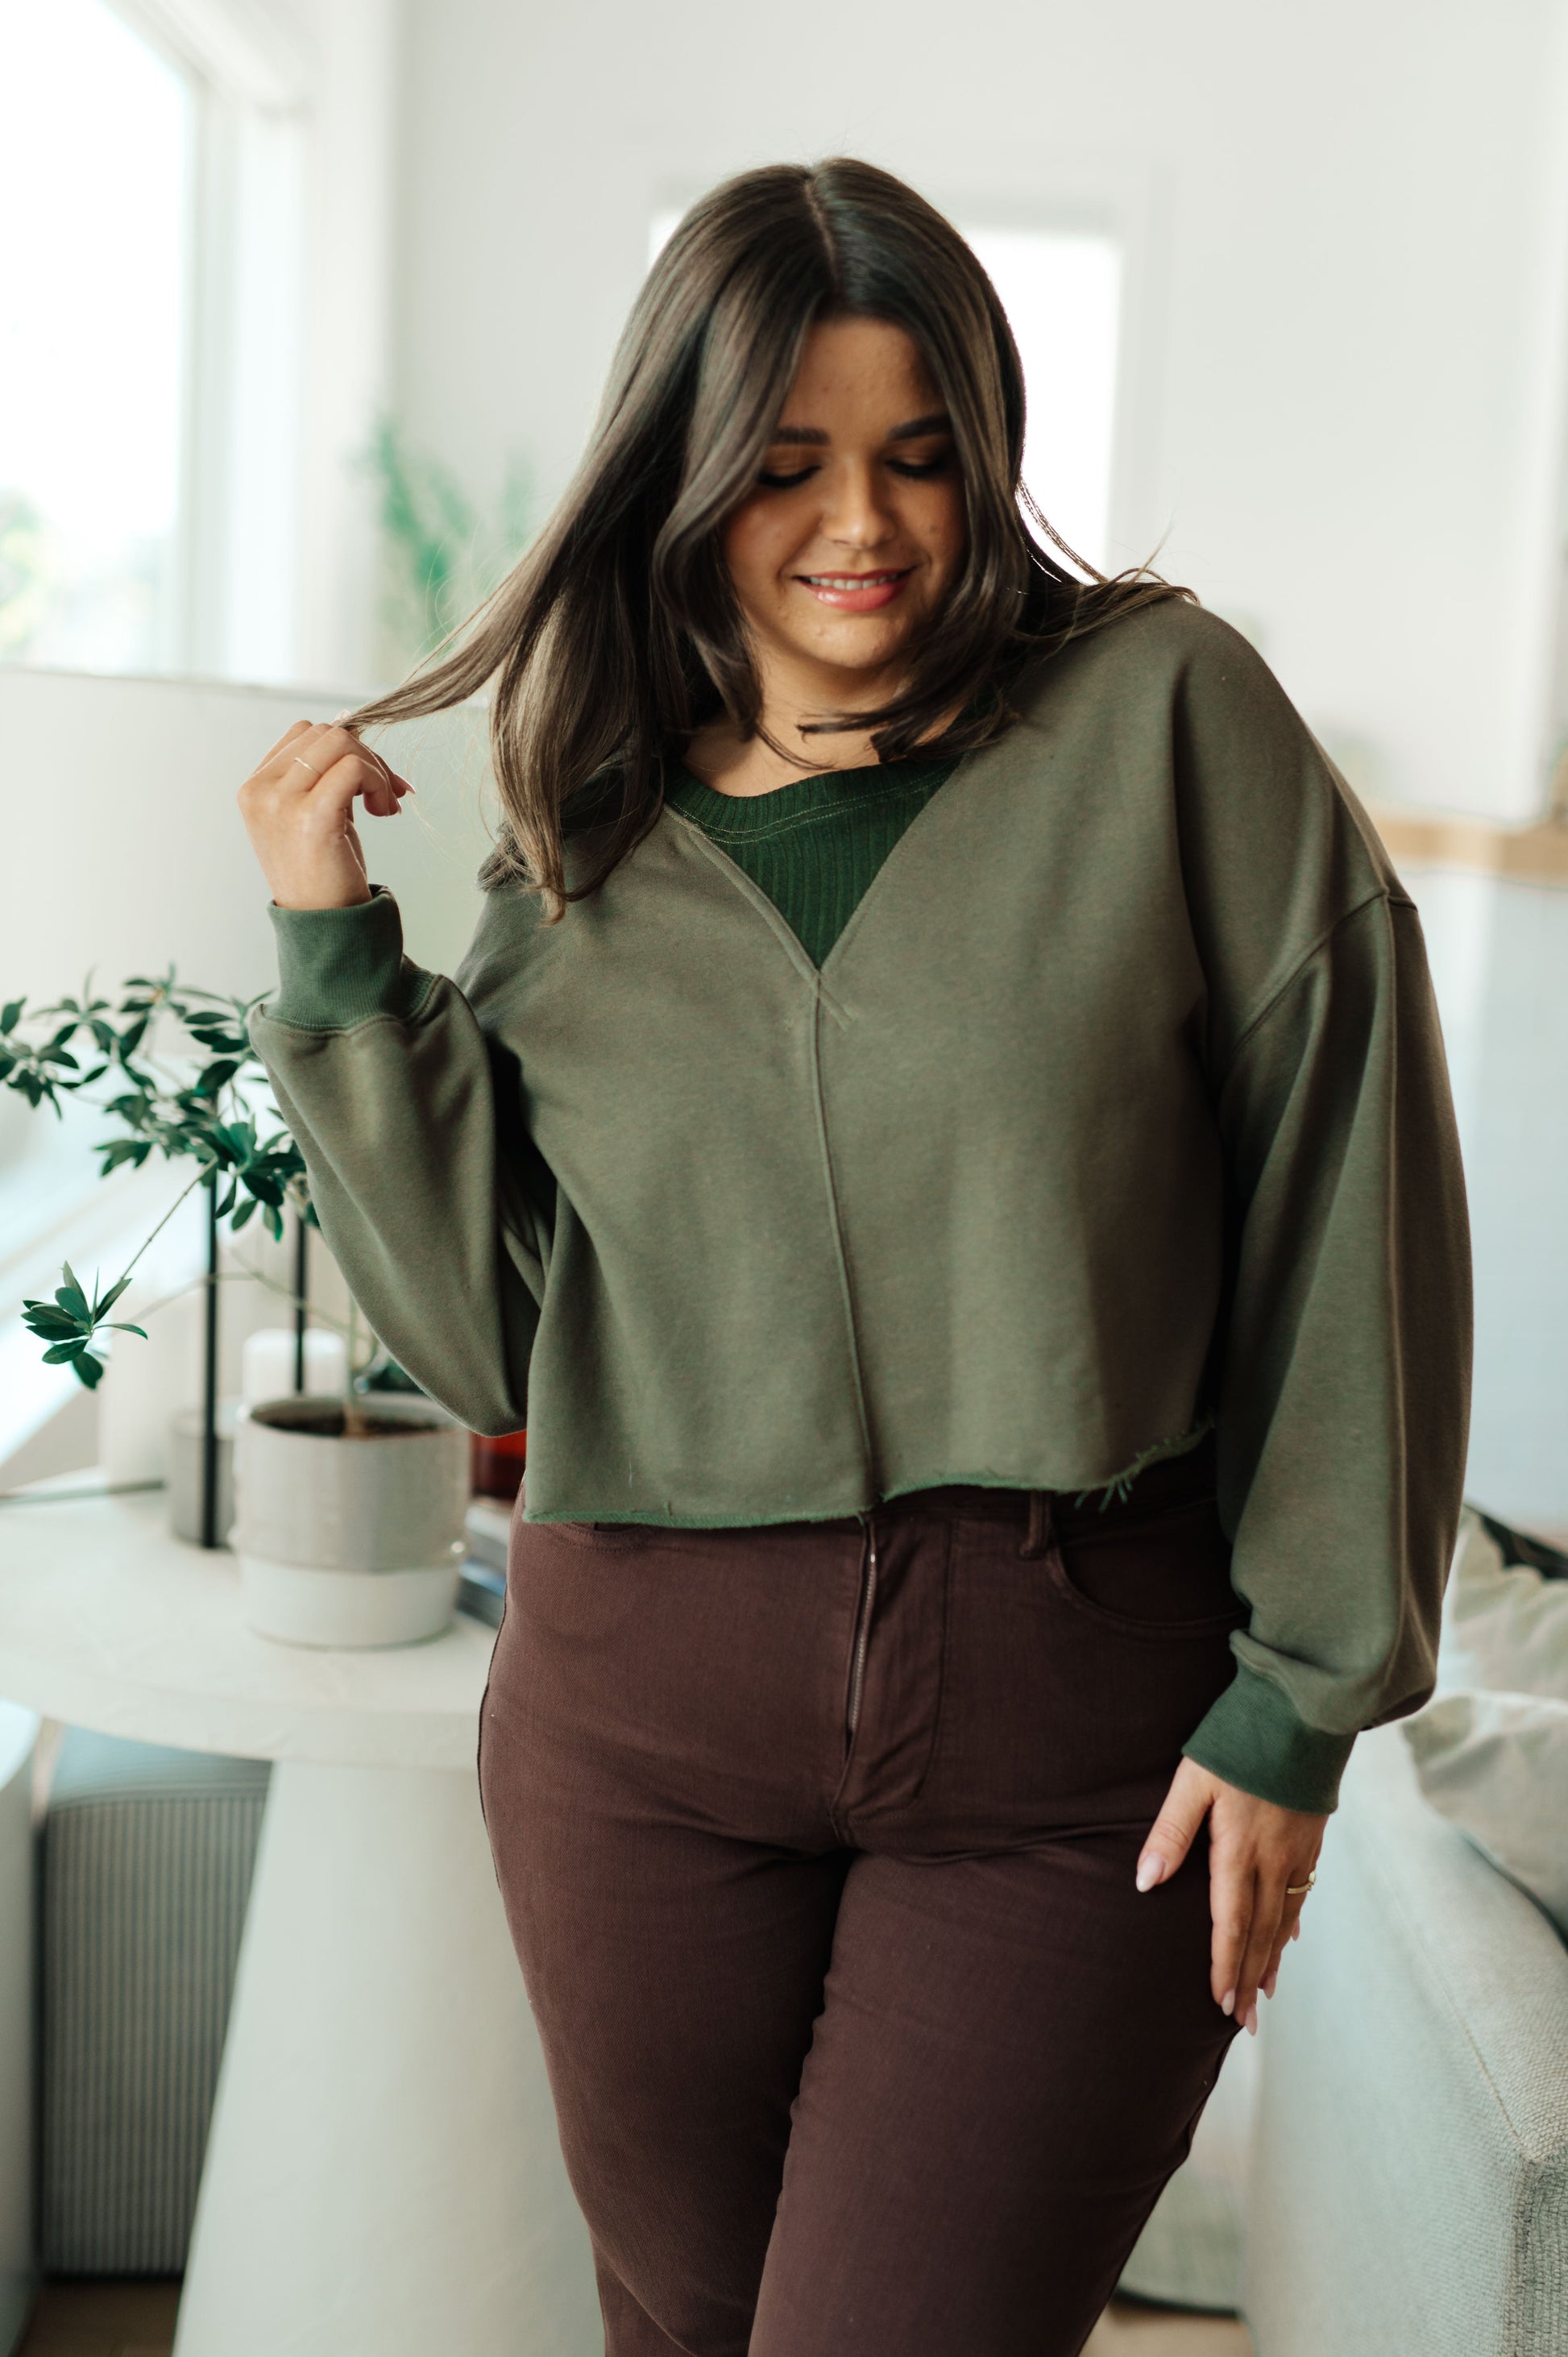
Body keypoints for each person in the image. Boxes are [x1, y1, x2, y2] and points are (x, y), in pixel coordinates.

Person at [239, 158, 1471, 2357]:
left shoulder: (1164, 719)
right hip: (634, 1720)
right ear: (682, 478)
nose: (865, 526)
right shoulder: (587, 826)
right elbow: (481, 1335)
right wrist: (338, 962)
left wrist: (1305, 1693)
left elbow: (1343, 1189)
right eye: (786, 465)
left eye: (920, 456)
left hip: (1071, 1719)